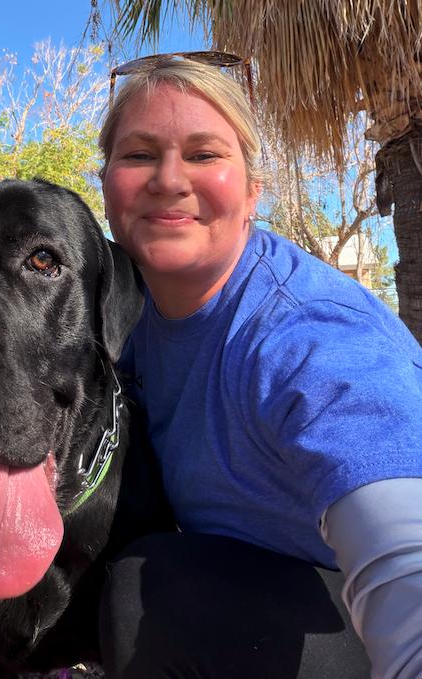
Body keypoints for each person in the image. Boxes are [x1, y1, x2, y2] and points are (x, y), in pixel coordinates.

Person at [97, 52, 422, 679]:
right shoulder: (122, 303)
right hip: (247, 580)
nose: (168, 179)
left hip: (347, 615)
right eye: (138, 155)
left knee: (148, 592)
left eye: (204, 154)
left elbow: (402, 552)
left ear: (251, 193)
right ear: (107, 182)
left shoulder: (306, 331)